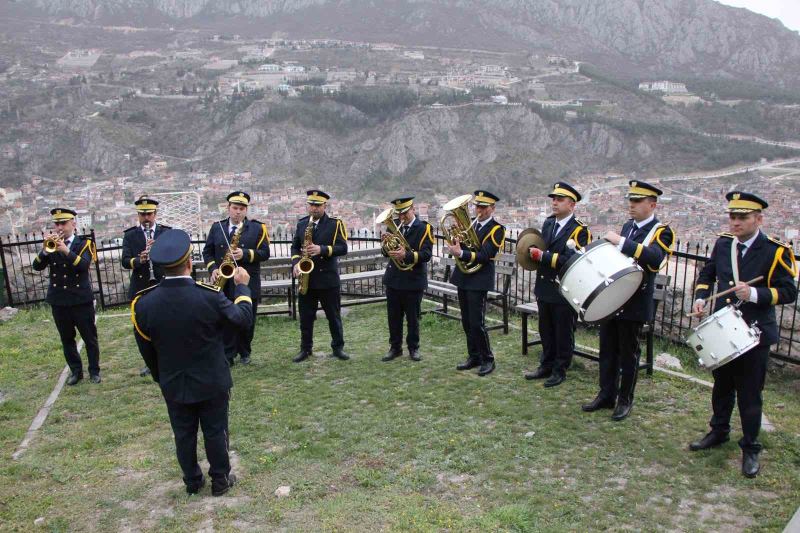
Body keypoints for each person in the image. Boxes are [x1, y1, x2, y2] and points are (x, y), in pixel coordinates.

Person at [132, 229, 253, 496]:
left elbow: (146, 348)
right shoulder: (209, 296)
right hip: (212, 378)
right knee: (215, 430)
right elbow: (242, 320)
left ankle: (192, 480)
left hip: (173, 379)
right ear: (190, 262)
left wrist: (161, 375)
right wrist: (242, 287)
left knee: (183, 433)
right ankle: (220, 480)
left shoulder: (143, 304)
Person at [689, 192, 797, 478]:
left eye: (742, 217)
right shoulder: (724, 243)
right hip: (723, 330)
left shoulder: (775, 250)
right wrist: (701, 299)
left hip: (754, 333)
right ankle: (719, 431)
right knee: (721, 387)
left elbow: (789, 291)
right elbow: (707, 275)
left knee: (750, 395)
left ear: (758, 219)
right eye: (732, 217)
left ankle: (750, 447)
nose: (735, 222)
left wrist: (755, 293)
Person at [581, 180, 674, 421]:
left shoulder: (661, 231)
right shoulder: (628, 226)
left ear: (652, 204)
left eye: (637, 201)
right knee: (607, 348)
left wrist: (621, 242)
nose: (631, 205)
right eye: (630, 200)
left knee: (628, 353)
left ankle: (625, 400)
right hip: (615, 297)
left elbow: (654, 259)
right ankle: (606, 394)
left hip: (636, 300)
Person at [524, 183, 591, 387]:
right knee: (546, 329)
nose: (554, 202)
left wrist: (542, 256)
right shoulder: (549, 223)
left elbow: (572, 261)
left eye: (559, 199)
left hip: (564, 288)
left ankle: (560, 369)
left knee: (563, 331)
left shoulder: (579, 230)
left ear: (572, 205)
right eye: (553, 199)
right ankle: (546, 364)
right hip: (544, 285)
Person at [32, 208, 100, 385]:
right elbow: (36, 267)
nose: (60, 226)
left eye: (64, 223)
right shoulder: (52, 244)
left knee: (89, 337)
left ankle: (94, 371)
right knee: (66, 338)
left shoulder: (84, 243)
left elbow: (83, 265)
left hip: (80, 299)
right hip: (59, 299)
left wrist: (65, 250)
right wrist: (45, 251)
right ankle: (76, 372)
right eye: (57, 223)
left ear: (73, 224)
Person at [202, 191, 270, 365]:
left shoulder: (258, 228)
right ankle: (228, 354)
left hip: (247, 282)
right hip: (224, 284)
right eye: (235, 208)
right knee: (225, 319)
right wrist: (213, 269)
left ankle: (245, 351)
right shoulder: (217, 227)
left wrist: (245, 254)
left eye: (241, 208)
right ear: (228, 208)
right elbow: (207, 252)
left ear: (246, 210)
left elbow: (265, 253)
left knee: (248, 318)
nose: (238, 212)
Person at [447, 190, 506, 376]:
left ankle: (488, 358)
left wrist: (461, 253)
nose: (479, 210)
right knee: (466, 321)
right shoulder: (469, 226)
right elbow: (462, 248)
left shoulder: (497, 230)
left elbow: (485, 255)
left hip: (479, 279)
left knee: (476, 322)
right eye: (477, 206)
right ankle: (474, 356)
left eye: (483, 207)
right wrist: (456, 240)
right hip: (464, 277)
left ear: (492, 208)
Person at [290, 190, 349, 362]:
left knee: (333, 316)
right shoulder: (301, 224)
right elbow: (295, 248)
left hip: (327, 279)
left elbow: (343, 248)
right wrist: (296, 264)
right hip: (306, 279)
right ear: (307, 205)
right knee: (306, 318)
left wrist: (321, 249)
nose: (314, 208)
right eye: (311, 205)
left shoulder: (334, 224)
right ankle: (305, 349)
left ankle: (338, 348)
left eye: (318, 205)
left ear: (325, 206)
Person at [380, 197, 434, 362]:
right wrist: (385, 245)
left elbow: (426, 255)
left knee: (413, 318)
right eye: (399, 213)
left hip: (413, 279)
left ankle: (413, 348)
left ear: (413, 209)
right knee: (393, 317)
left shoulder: (424, 228)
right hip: (394, 279)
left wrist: (407, 255)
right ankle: (395, 348)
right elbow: (385, 254)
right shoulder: (395, 226)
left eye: (404, 213)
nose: (401, 217)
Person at [121, 195, 170, 377]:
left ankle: (167, 358)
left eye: (149, 214)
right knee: (142, 327)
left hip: (162, 283)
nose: (146, 218)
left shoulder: (165, 233)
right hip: (141, 285)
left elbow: (173, 257)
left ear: (155, 214)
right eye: (142, 214)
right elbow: (125, 261)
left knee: (166, 323)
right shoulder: (131, 235)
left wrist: (158, 251)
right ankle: (150, 361)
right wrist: (139, 259)